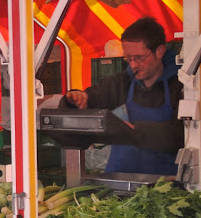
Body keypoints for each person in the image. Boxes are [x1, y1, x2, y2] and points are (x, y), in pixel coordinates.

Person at [61, 17, 183, 175]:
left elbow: (180, 135)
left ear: (159, 51)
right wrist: (76, 99)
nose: (133, 65)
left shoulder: (179, 85)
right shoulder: (121, 82)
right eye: (128, 58)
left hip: (164, 181)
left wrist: (133, 131)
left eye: (139, 58)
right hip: (121, 178)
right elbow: (91, 98)